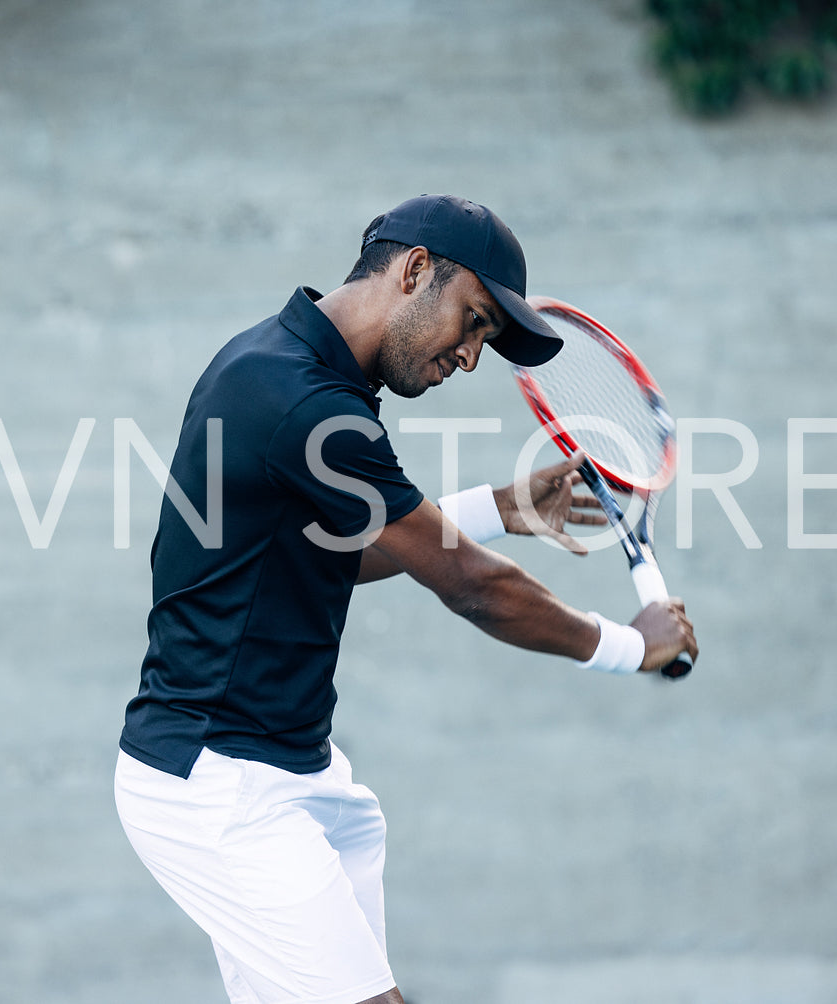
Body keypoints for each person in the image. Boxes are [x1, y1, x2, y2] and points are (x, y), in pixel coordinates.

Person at [114, 194, 698, 1004]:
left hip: (300, 774)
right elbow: (470, 585)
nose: (468, 357)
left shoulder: (288, 369)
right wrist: (630, 646)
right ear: (414, 270)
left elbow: (323, 557)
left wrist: (500, 508)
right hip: (215, 784)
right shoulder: (295, 398)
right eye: (473, 321)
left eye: (485, 342)